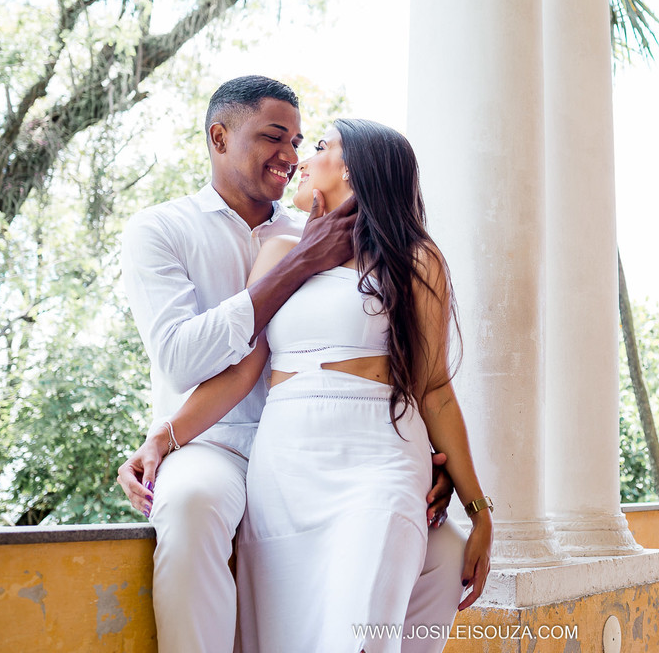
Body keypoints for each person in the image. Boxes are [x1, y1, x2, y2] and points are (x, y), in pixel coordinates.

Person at [116, 77, 468, 653]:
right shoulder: (163, 230)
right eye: (274, 136)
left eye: (301, 140)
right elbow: (183, 361)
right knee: (190, 505)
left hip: (319, 443)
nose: (293, 154)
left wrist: (424, 451)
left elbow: (390, 354)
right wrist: (165, 437)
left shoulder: (321, 226)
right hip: (215, 442)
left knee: (445, 550)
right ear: (219, 137)